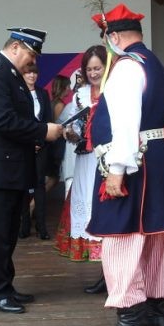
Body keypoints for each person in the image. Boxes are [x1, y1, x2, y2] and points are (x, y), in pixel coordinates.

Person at [87, 4, 164, 326]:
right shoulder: (152, 62)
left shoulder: (127, 67)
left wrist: (116, 170)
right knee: (156, 235)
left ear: (113, 37)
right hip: (158, 157)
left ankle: (129, 324)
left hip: (135, 160)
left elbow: (126, 122)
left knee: (122, 237)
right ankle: (156, 314)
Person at [0, 28, 63, 314]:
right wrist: (43, 131)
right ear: (16, 47)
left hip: (9, 169)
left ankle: (5, 286)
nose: (33, 61)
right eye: (31, 54)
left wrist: (35, 136)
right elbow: (3, 120)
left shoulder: (9, 74)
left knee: (6, 234)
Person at [55, 46, 107, 284]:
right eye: (89, 69)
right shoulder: (80, 95)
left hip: (108, 159)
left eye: (97, 68)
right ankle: (95, 261)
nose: (93, 73)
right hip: (86, 159)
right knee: (85, 201)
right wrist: (71, 133)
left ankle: (111, 264)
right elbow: (73, 125)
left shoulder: (115, 91)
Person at [19, 62, 52, 240]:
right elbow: (17, 122)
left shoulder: (43, 93)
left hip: (41, 145)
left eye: (34, 73)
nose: (31, 76)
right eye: (28, 73)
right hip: (24, 145)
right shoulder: (17, 93)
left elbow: (47, 120)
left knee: (40, 185)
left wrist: (39, 141)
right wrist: (29, 142)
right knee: (24, 185)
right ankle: (24, 225)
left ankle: (41, 226)